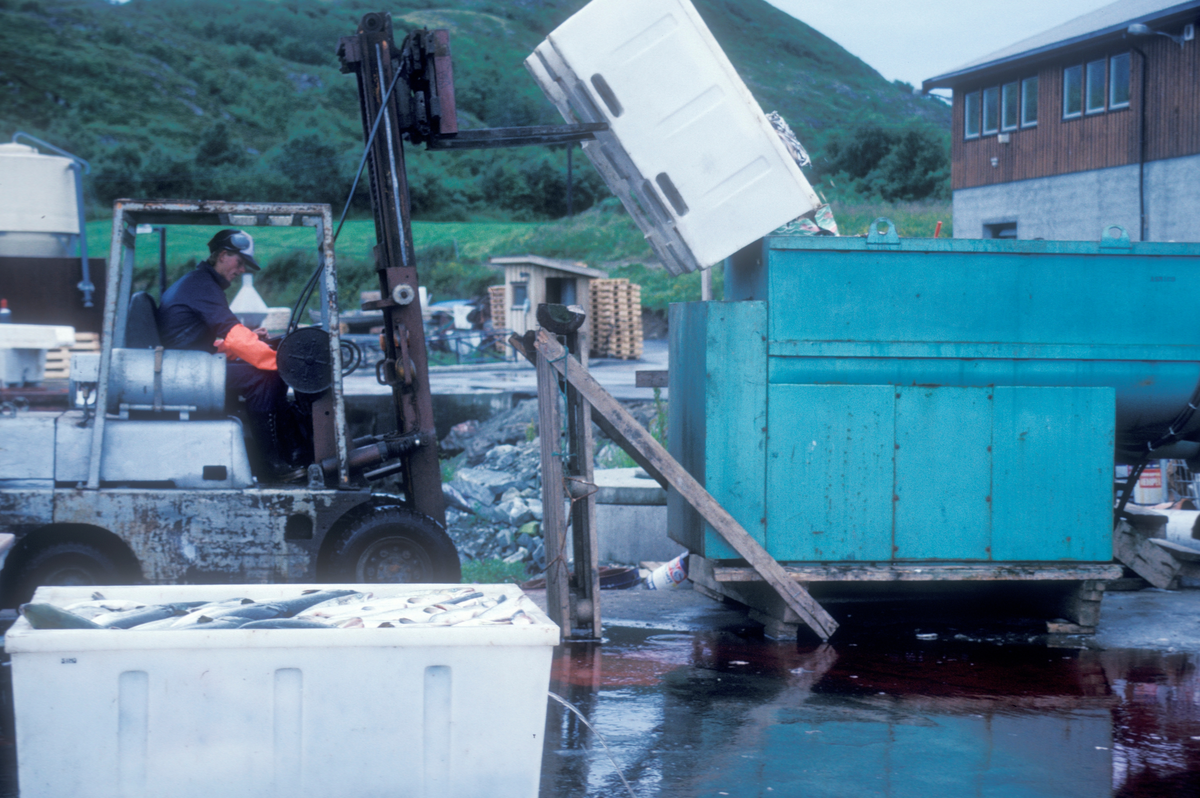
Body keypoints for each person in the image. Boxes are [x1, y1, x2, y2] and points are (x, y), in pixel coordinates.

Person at [158, 229, 304, 479]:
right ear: (224, 255)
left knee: (270, 373)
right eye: (240, 263)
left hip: (188, 364)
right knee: (264, 377)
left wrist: (254, 341)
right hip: (185, 372)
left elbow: (214, 340)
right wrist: (278, 362)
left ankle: (289, 450)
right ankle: (272, 465)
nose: (242, 271)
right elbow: (233, 333)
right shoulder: (202, 286)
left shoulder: (200, 283)